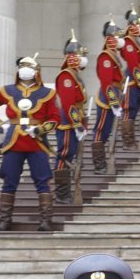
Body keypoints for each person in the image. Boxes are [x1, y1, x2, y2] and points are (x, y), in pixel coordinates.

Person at [0, 55, 63, 232]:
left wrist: (39, 130)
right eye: (22, 66)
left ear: (37, 71)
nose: (24, 69)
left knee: (43, 181)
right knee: (9, 181)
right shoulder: (7, 90)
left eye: (29, 66)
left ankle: (45, 220)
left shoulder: (48, 93)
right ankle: (5, 220)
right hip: (13, 140)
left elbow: (55, 117)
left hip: (38, 142)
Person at [53, 35, 88, 208]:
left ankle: (64, 190)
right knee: (64, 155)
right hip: (67, 123)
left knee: (70, 154)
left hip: (74, 121)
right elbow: (68, 104)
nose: (83, 58)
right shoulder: (66, 76)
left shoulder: (74, 75)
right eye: (80, 54)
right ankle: (61, 193)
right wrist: (77, 124)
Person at [92, 22, 125, 171]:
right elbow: (106, 83)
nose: (121, 40)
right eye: (118, 37)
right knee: (101, 130)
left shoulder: (113, 56)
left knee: (108, 130)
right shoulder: (105, 57)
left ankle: (104, 161)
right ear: (110, 38)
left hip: (115, 94)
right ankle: (99, 164)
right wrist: (113, 101)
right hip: (107, 98)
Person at [118, 8, 140, 147]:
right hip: (132, 81)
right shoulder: (128, 42)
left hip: (137, 80)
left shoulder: (134, 41)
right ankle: (127, 142)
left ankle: (130, 140)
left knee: (134, 111)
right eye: (138, 25)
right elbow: (134, 66)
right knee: (129, 110)